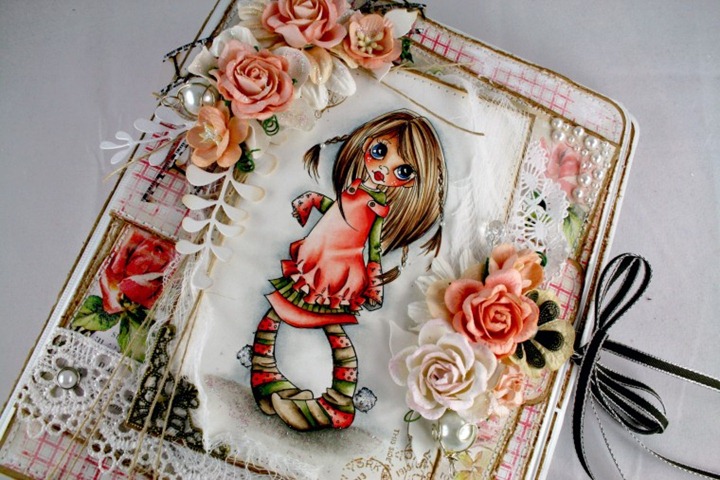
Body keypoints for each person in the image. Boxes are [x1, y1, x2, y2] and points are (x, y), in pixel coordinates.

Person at [250, 109, 447, 431]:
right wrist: (314, 200)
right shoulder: (355, 188)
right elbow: (341, 212)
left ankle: (339, 402)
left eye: (402, 170)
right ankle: (264, 374)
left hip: (337, 270)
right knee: (280, 310)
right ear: (367, 145)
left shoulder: (376, 207)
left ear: (410, 181)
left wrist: (374, 281)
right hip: (316, 256)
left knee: (331, 328)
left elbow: (372, 246)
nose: (383, 169)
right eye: (380, 151)